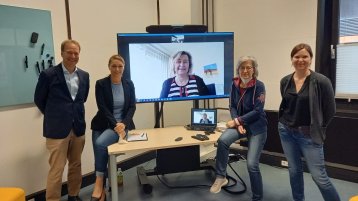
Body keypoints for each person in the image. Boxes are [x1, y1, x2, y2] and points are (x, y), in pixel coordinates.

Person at [278, 43, 341, 201]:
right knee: (294, 171)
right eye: (297, 56)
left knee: (319, 176)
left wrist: (318, 127)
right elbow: (286, 105)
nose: (301, 60)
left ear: (311, 59)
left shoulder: (321, 81)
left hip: (309, 135)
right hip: (286, 131)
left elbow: (330, 109)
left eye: (305, 56)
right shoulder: (285, 81)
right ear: (292, 59)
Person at [34, 39, 90, 201]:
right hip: (56, 130)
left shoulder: (84, 76)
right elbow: (39, 99)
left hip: (78, 128)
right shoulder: (48, 75)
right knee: (56, 169)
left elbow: (82, 99)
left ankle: (73, 195)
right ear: (62, 53)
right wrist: (55, 115)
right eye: (69, 52)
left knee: (75, 165)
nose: (73, 56)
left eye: (76, 53)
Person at [210, 56, 267, 201]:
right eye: (242, 67)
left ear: (254, 70)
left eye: (249, 67)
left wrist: (237, 120)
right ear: (238, 70)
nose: (246, 71)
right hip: (240, 124)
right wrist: (238, 124)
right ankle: (221, 176)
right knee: (223, 141)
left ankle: (257, 197)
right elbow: (232, 106)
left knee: (252, 164)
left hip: (257, 127)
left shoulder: (259, 86)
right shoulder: (234, 84)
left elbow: (257, 111)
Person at [90, 55, 136, 201]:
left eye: (120, 66)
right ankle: (102, 191)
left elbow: (132, 107)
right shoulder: (101, 84)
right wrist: (115, 124)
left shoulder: (129, 84)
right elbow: (102, 107)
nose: (117, 69)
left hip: (123, 126)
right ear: (109, 66)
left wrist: (123, 123)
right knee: (99, 154)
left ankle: (98, 185)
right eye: (114, 66)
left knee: (100, 144)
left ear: (124, 67)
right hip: (102, 123)